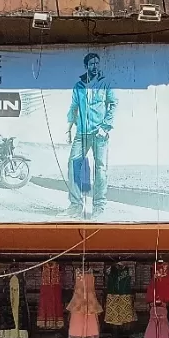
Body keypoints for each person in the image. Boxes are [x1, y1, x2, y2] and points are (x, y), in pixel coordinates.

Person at [66, 51, 116, 216]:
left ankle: (99, 207)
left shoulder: (105, 83)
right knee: (73, 166)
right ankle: (75, 206)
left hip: (99, 133)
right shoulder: (78, 86)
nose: (95, 66)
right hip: (81, 133)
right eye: (92, 63)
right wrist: (68, 128)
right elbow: (73, 108)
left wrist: (106, 126)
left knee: (100, 169)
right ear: (86, 66)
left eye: (97, 63)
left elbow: (113, 104)